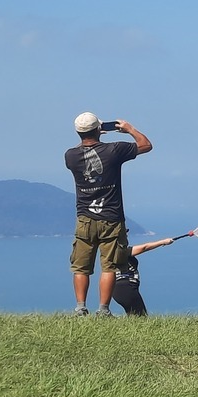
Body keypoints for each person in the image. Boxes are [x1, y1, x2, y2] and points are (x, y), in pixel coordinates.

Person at [64, 112, 152, 317]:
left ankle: (80, 308)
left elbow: (84, 150)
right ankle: (103, 310)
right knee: (109, 266)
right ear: (98, 130)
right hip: (111, 218)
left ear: (78, 132)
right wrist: (129, 128)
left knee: (81, 266)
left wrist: (93, 135)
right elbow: (146, 145)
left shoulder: (70, 156)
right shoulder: (114, 150)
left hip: (85, 218)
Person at [112, 237, 174, 316]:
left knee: (133, 316)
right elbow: (145, 247)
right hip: (127, 287)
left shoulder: (108, 253)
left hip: (116, 289)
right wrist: (163, 242)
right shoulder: (122, 251)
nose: (126, 236)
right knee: (141, 318)